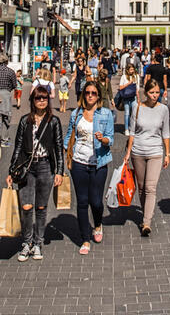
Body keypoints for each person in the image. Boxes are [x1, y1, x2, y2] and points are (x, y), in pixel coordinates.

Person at [5, 87, 65, 262]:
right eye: (38, 98)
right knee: (26, 207)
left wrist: (59, 171)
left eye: (44, 98)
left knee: (41, 207)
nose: (41, 101)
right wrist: (11, 170)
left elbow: (58, 148)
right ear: (32, 100)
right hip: (27, 167)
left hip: (45, 166)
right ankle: (26, 242)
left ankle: (38, 242)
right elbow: (18, 147)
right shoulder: (25, 121)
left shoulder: (53, 121)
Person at [63, 81, 114, 254]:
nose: (90, 95)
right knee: (82, 201)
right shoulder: (76, 114)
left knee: (97, 202)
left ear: (99, 96)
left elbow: (111, 139)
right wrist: (63, 152)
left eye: (93, 93)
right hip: (79, 162)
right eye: (87, 93)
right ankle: (85, 238)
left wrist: (103, 140)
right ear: (83, 95)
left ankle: (98, 224)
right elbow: (69, 135)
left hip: (99, 162)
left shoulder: (106, 114)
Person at [121, 78, 170, 235]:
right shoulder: (137, 107)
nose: (155, 95)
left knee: (150, 188)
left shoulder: (163, 109)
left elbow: (166, 132)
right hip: (138, 152)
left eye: (157, 92)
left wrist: (167, 153)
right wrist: (128, 152)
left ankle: (146, 222)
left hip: (156, 152)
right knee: (142, 188)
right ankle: (145, 214)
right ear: (145, 93)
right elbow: (132, 132)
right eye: (152, 92)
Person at [0, 55, 18, 132]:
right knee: (6, 116)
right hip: (6, 94)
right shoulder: (11, 71)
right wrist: (8, 89)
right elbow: (15, 85)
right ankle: (4, 138)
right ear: (7, 62)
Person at [116, 62, 140, 133]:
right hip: (126, 97)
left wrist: (138, 98)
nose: (132, 71)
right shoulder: (124, 76)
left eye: (133, 69)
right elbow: (120, 87)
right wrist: (128, 83)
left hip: (134, 97)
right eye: (131, 70)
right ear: (127, 70)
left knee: (134, 113)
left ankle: (132, 127)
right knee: (127, 113)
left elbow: (137, 88)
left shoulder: (136, 76)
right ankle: (126, 129)